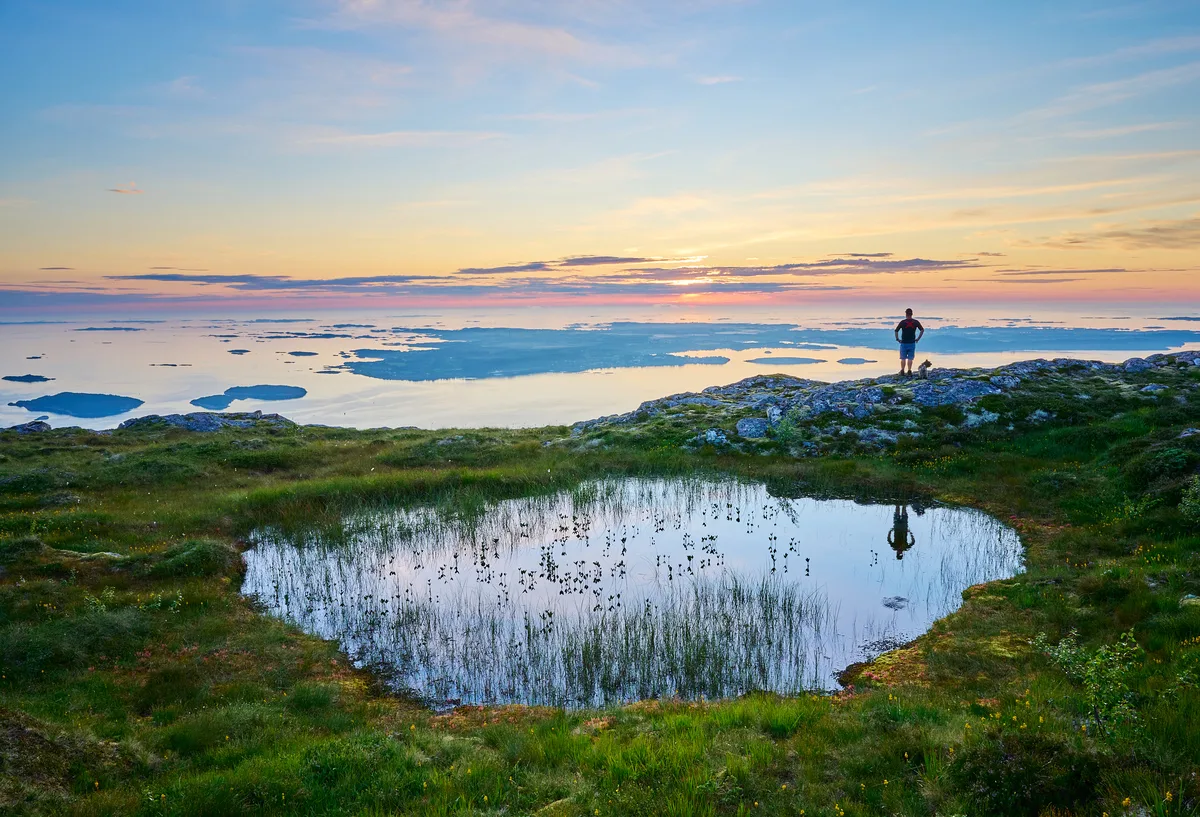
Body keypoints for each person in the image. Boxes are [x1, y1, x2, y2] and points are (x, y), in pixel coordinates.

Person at [894, 308, 924, 376]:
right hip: (912, 342)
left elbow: (896, 331)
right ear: (912, 314)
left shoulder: (902, 322)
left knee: (903, 358)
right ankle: (909, 370)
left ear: (906, 314)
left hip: (904, 342)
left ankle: (902, 370)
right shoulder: (915, 322)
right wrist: (918, 339)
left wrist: (897, 339)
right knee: (910, 358)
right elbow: (922, 330)